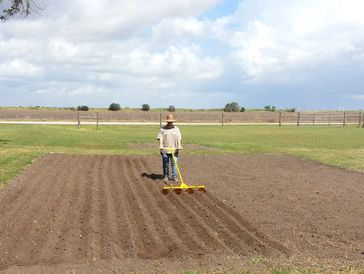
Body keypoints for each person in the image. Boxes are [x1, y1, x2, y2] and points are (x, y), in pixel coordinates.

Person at [157, 114, 183, 183]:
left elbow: (179, 138)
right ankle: (166, 176)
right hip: (165, 150)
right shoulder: (162, 129)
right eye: (169, 121)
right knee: (166, 163)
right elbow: (161, 138)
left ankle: (175, 177)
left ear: (173, 122)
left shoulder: (176, 129)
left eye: (171, 122)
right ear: (167, 122)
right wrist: (161, 145)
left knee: (174, 163)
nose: (170, 123)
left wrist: (179, 145)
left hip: (174, 150)